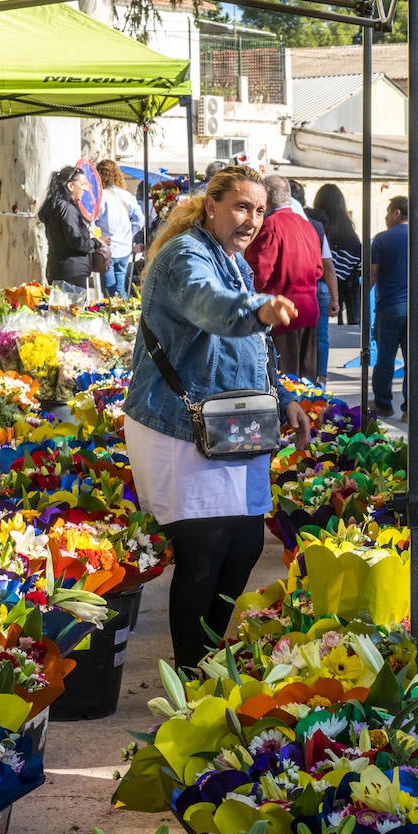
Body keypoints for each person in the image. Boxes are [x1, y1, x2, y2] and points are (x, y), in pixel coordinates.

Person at [123, 164, 312, 671]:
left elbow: (255, 352)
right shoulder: (186, 255)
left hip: (233, 422)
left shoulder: (237, 262)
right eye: (240, 206)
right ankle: (190, 670)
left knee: (245, 543)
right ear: (212, 206)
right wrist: (258, 309)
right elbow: (212, 306)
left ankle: (206, 655)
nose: (251, 219)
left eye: (259, 209)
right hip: (176, 423)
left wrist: (283, 398)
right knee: (204, 551)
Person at [244, 175, 322, 380]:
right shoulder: (307, 225)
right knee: (307, 378)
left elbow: (258, 273)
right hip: (308, 307)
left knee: (284, 378)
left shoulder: (271, 225)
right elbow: (318, 269)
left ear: (265, 197)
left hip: (281, 310)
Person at [369, 195, 418, 417]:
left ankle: (383, 404)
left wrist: (360, 301)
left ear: (397, 213)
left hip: (390, 307)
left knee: (385, 358)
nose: (386, 218)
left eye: (388, 213)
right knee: (414, 361)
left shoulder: (381, 239)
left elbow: (372, 274)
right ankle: (411, 410)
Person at [289, 179, 340, 386]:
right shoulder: (316, 226)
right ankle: (321, 379)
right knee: (321, 337)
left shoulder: (280, 222)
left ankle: (296, 379)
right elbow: (328, 264)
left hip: (300, 287)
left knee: (297, 337)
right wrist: (334, 297)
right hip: (320, 287)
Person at [38, 165, 102, 295]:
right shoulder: (67, 209)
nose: (85, 188)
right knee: (71, 312)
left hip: (58, 267)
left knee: (59, 312)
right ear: (71, 186)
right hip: (72, 272)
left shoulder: (54, 206)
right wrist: (95, 243)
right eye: (83, 184)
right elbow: (76, 241)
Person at [314, 183, 363, 326]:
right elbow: (358, 267)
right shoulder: (351, 236)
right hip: (340, 292)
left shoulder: (316, 227)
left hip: (316, 284)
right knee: (322, 335)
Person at [96, 159, 143, 298]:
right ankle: (123, 316)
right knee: (120, 288)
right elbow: (140, 219)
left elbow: (94, 220)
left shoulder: (101, 196)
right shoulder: (127, 195)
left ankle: (112, 317)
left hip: (107, 248)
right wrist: (130, 233)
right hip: (124, 248)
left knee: (109, 292)